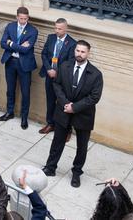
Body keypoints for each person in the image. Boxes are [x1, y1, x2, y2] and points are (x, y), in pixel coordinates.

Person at [43, 40, 104, 187]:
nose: (79, 54)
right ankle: (50, 167)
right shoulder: (65, 66)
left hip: (83, 114)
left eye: (83, 52)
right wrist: (65, 104)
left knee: (81, 146)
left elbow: (94, 97)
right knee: (58, 141)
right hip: (64, 110)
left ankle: (76, 173)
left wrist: (74, 107)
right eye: (77, 51)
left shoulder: (96, 74)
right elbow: (56, 84)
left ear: (88, 53)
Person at [0, 6, 38, 129]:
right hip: (10, 61)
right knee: (10, 89)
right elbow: (2, 43)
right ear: (17, 17)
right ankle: (9, 112)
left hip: (24, 65)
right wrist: (16, 45)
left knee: (25, 92)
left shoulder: (33, 31)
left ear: (28, 18)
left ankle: (24, 117)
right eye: (21, 18)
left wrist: (11, 43)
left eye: (25, 19)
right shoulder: (10, 26)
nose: (23, 21)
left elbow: (26, 50)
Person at [38, 17, 76, 135]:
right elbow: (44, 54)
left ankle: (67, 130)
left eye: (59, 29)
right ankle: (50, 124)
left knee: (63, 103)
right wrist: (49, 69)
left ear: (66, 29)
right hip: (49, 75)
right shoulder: (51, 38)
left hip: (62, 79)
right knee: (50, 100)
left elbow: (70, 63)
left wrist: (57, 72)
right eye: (55, 28)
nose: (57, 31)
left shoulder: (72, 43)